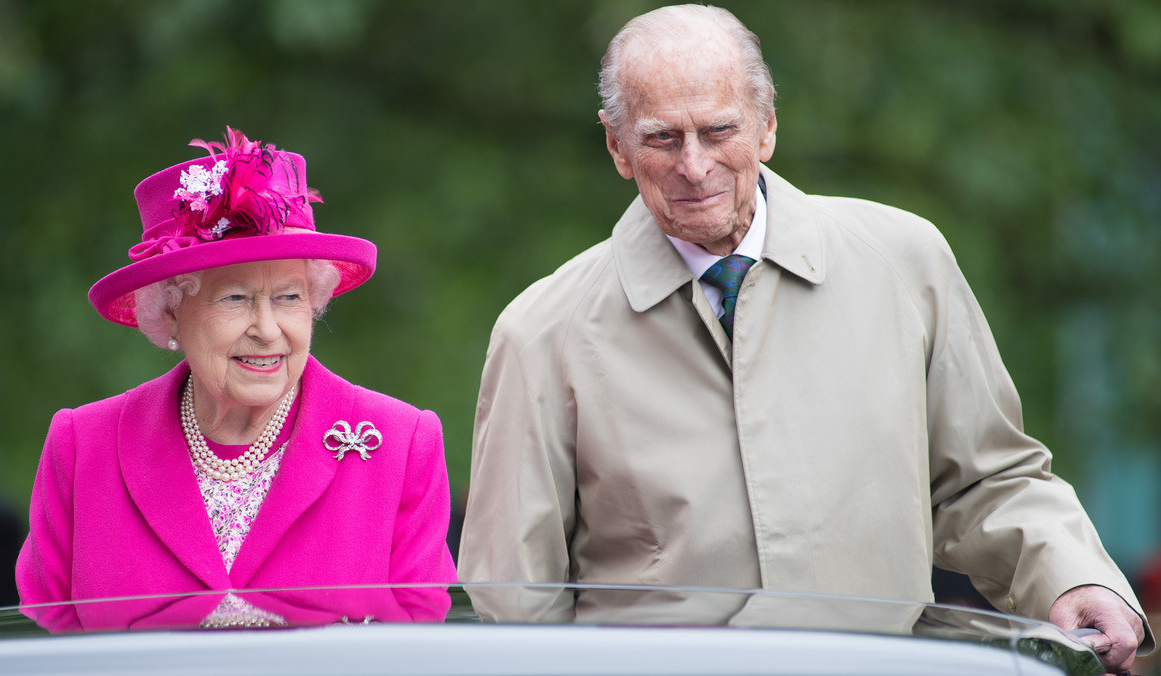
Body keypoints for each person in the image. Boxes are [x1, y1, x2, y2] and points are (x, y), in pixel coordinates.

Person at [457, 5, 1151, 672]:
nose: (693, 166)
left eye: (719, 131)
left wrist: (1071, 578)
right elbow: (514, 606)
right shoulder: (541, 332)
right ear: (617, 146)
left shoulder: (905, 262)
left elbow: (988, 480)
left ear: (767, 129)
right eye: (663, 137)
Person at [17, 127, 456, 632]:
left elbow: (420, 650)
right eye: (236, 298)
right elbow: (39, 642)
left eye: (289, 298)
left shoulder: (400, 444)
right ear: (171, 313)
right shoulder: (82, 447)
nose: (268, 331)